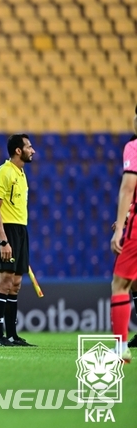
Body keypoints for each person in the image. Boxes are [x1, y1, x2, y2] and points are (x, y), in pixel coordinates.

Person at [0, 134, 36, 347]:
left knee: (15, 284)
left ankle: (13, 335)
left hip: (21, 230)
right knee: (5, 280)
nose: (32, 150)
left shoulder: (22, 173)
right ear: (18, 150)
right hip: (7, 230)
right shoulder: (3, 172)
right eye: (29, 146)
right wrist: (3, 241)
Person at [109, 107, 137, 363]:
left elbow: (129, 187)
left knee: (120, 285)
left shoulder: (134, 146)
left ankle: (120, 347)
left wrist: (120, 226)